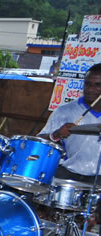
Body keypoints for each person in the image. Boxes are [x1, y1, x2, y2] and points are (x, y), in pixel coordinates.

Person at [39, 63, 101, 226]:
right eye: (87, 84)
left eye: (97, 85)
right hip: (68, 173)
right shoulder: (65, 111)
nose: (90, 89)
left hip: (98, 179)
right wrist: (56, 134)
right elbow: (40, 142)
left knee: (90, 224)